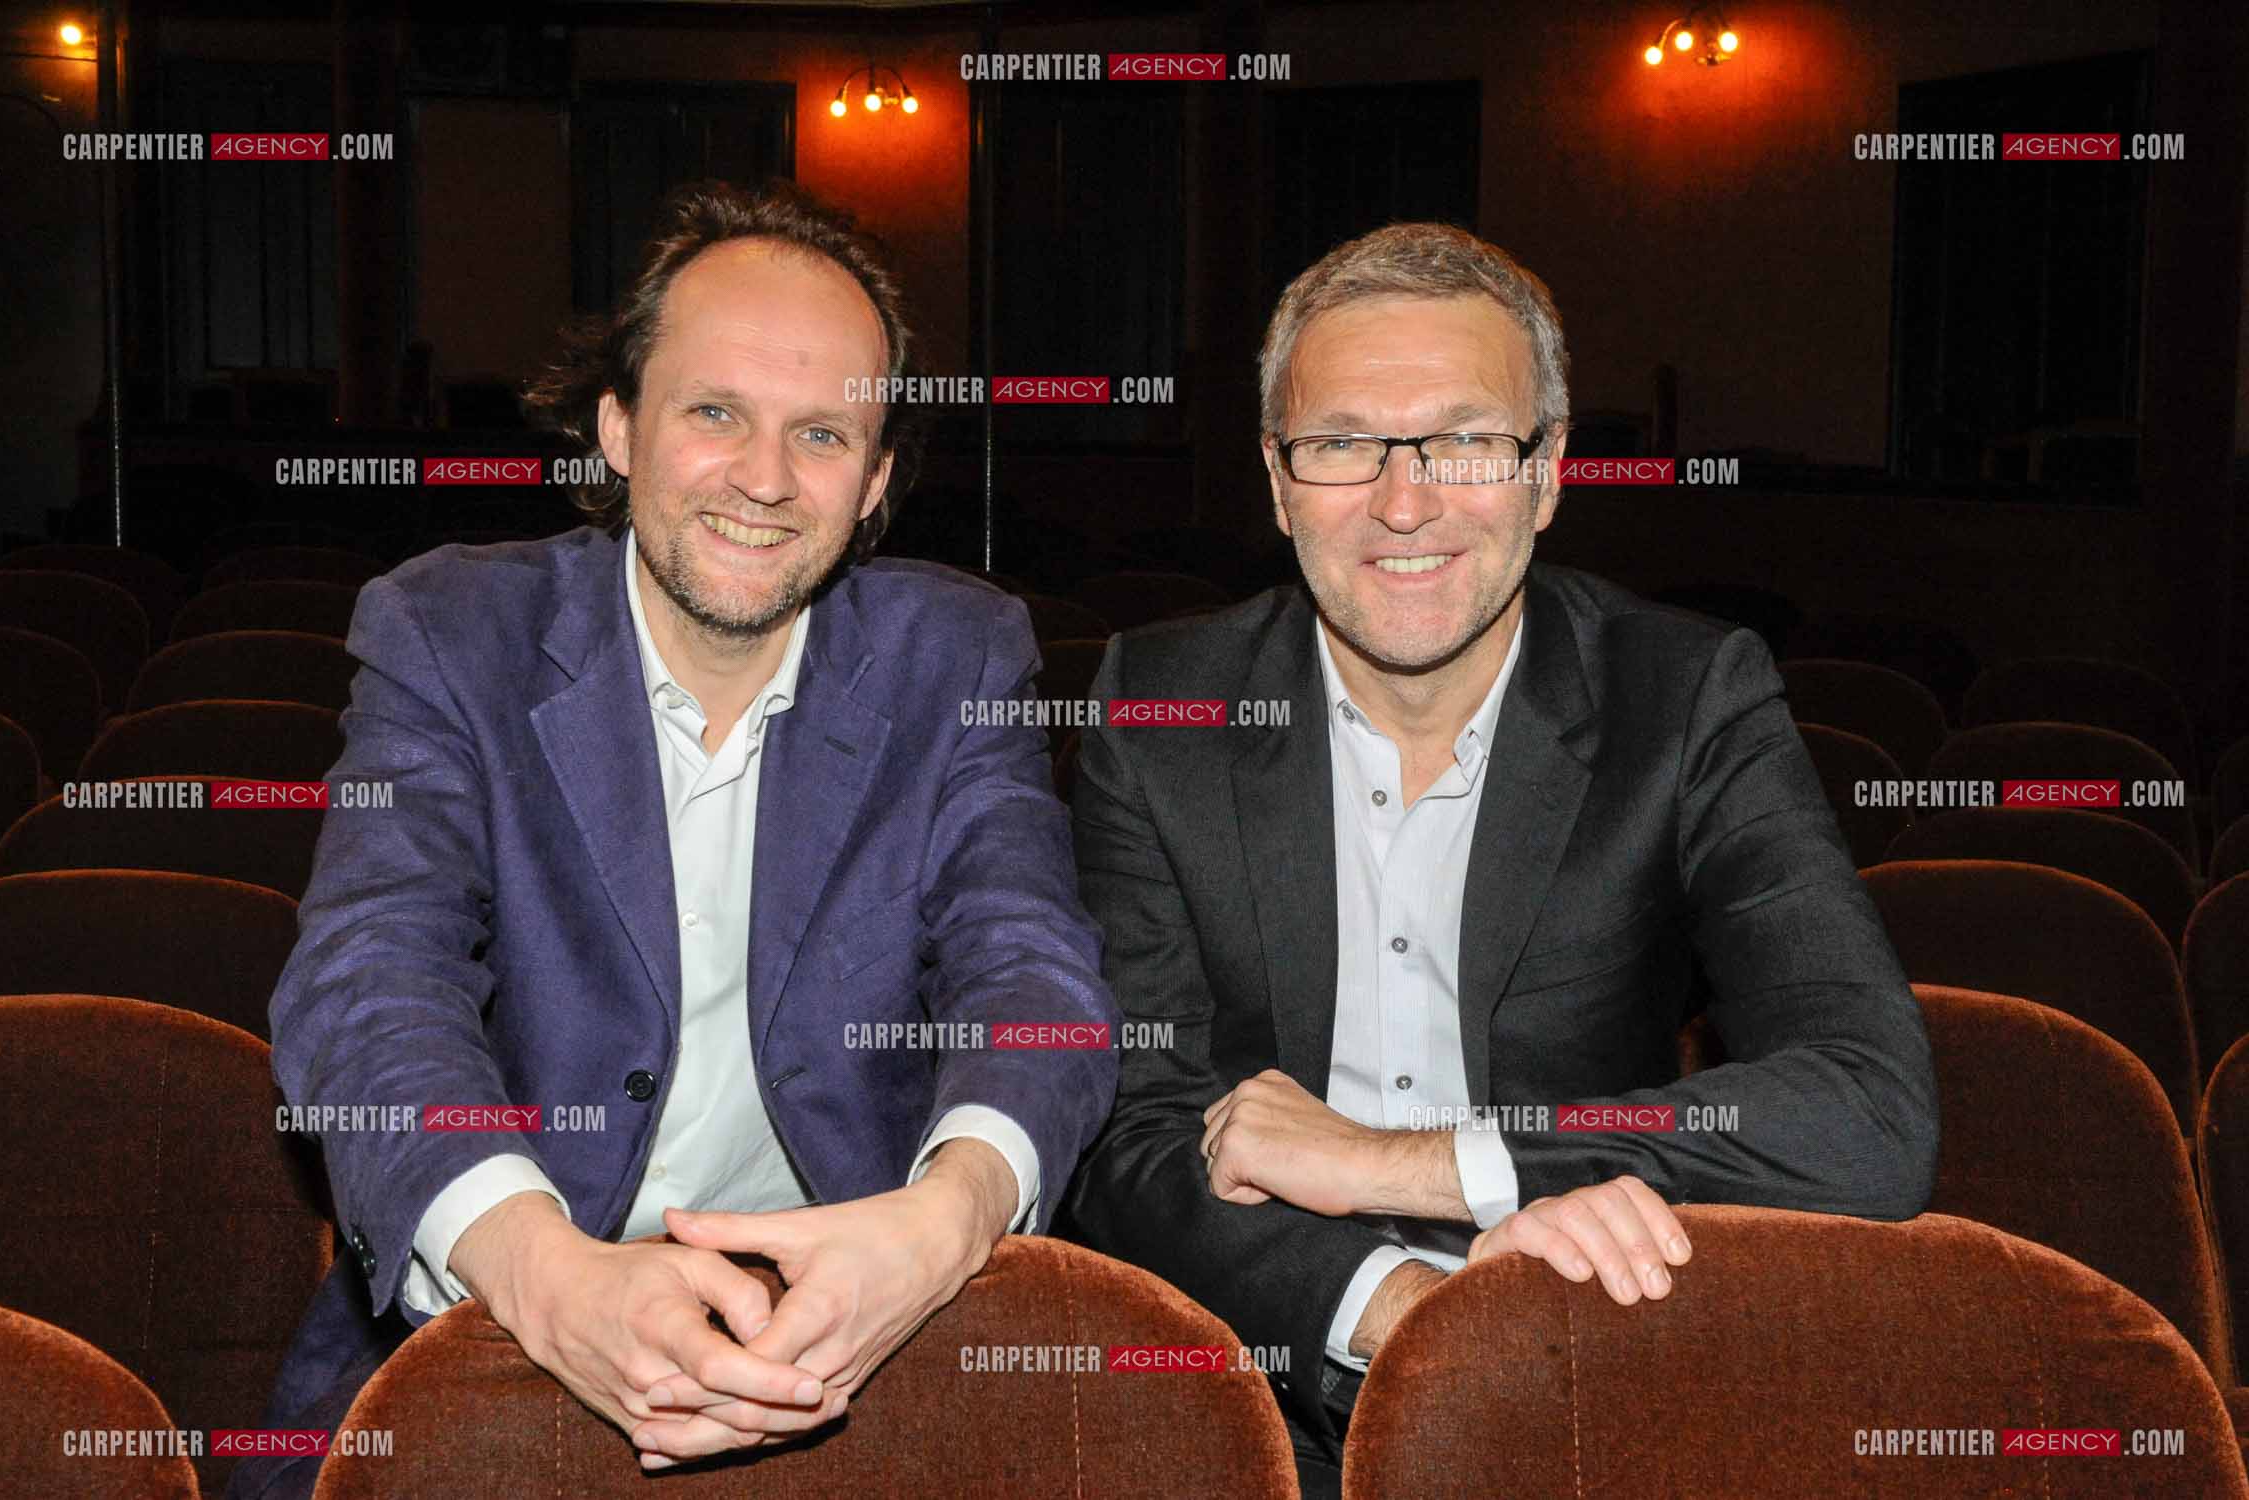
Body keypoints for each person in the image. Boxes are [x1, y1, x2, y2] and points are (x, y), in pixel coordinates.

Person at [233, 181, 1117, 1499]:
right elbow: (369, 984)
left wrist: (943, 1226)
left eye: (822, 435)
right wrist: (542, 1271)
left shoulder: (959, 650)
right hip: (510, 1296)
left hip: (863, 1332)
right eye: (714, 413)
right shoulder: (447, 631)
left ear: (875, 484)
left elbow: (1032, 976)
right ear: (617, 430)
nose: (764, 480)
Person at [1063, 222, 1939, 1499]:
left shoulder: (1687, 697)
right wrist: (1408, 1307)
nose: (1403, 503)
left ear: (1546, 473)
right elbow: (1129, 1137)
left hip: (1587, 1358)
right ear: (1275, 479)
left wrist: (1415, 1165)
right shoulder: (1160, 709)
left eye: (1466, 440)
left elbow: (1871, 1111)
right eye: (1343, 443)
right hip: (1258, 1381)